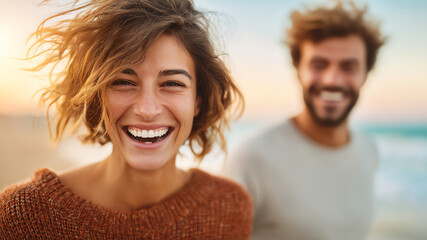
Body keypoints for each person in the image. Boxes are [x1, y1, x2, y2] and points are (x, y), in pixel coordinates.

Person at [0, 0, 252, 239]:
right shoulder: (21, 217)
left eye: (172, 83)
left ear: (197, 101)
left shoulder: (229, 208)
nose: (147, 109)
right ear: (97, 96)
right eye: (123, 82)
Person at [224, 2, 385, 240]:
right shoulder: (251, 158)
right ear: (298, 70)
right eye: (319, 65)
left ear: (365, 74)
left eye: (348, 67)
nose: (333, 79)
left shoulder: (368, 150)